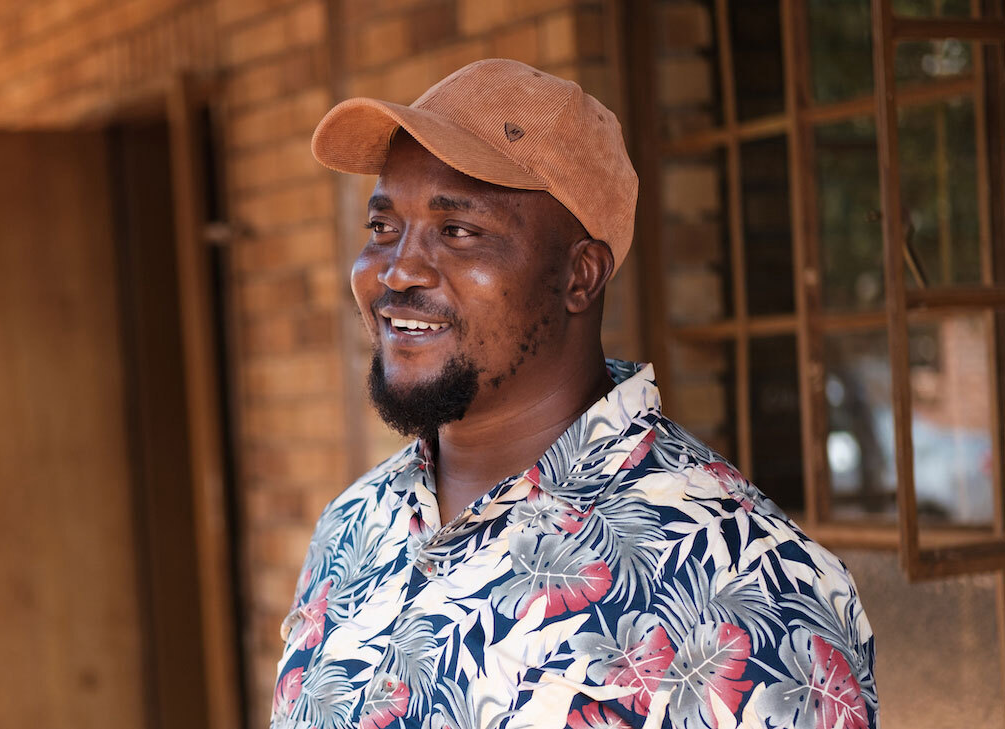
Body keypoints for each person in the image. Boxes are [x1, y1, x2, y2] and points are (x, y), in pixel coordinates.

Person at [271, 59, 877, 729]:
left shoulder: (746, 586)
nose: (398, 269)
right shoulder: (351, 526)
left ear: (579, 276)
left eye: (458, 231)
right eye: (383, 228)